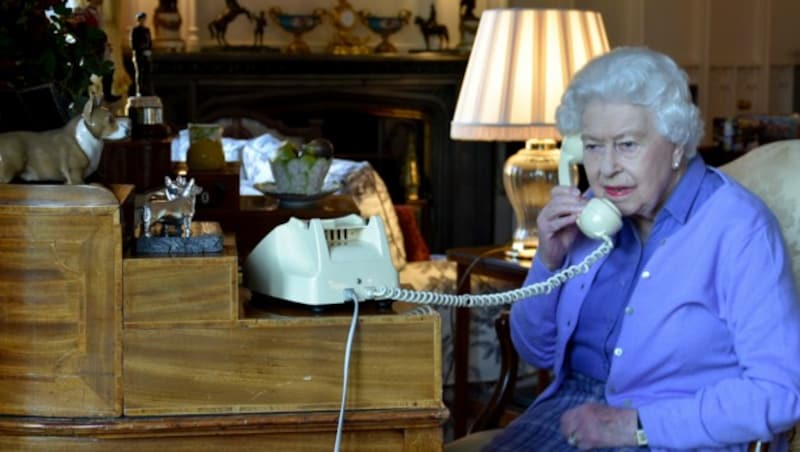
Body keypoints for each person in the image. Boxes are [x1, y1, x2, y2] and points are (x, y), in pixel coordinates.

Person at [486, 47, 800, 451]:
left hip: (679, 431)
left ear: (676, 145)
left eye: (627, 144)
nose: (607, 168)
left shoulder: (740, 229)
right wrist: (549, 261)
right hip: (571, 416)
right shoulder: (592, 217)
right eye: (594, 146)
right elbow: (536, 351)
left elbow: (781, 390)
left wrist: (636, 425)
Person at [130, 12, 153, 96]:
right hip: (138, 54)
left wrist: (148, 50)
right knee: (139, 73)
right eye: (141, 19)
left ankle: (147, 89)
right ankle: (139, 90)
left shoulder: (147, 30)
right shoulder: (135, 30)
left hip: (146, 54)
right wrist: (142, 49)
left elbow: (150, 42)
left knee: (147, 73)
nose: (143, 21)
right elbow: (133, 44)